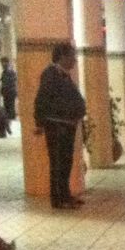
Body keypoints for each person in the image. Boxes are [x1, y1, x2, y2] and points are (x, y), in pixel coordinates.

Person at [33, 43, 86, 209]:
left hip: (67, 126)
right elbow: (41, 100)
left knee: (66, 161)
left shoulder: (64, 75)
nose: (75, 60)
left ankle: (65, 195)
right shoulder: (50, 74)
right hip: (57, 127)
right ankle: (58, 199)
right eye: (72, 56)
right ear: (62, 57)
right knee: (57, 163)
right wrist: (40, 123)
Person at [0, 57, 18, 124]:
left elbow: (11, 82)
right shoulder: (4, 72)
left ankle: (11, 119)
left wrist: (4, 88)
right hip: (7, 92)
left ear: (7, 63)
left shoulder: (10, 71)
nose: (2, 64)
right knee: (7, 106)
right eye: (2, 63)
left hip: (10, 91)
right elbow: (3, 82)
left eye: (3, 62)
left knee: (10, 106)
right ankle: (9, 119)